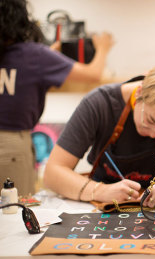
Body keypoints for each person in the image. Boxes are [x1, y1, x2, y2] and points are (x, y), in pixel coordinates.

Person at [43, 60, 155, 208]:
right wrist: (100, 191)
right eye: (151, 121)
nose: (154, 135)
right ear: (140, 93)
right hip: (105, 205)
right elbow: (52, 174)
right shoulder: (99, 105)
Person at [0, 0, 114, 196]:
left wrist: (49, 57)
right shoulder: (33, 55)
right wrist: (103, 47)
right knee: (16, 208)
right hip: (11, 144)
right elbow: (93, 74)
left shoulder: (33, 57)